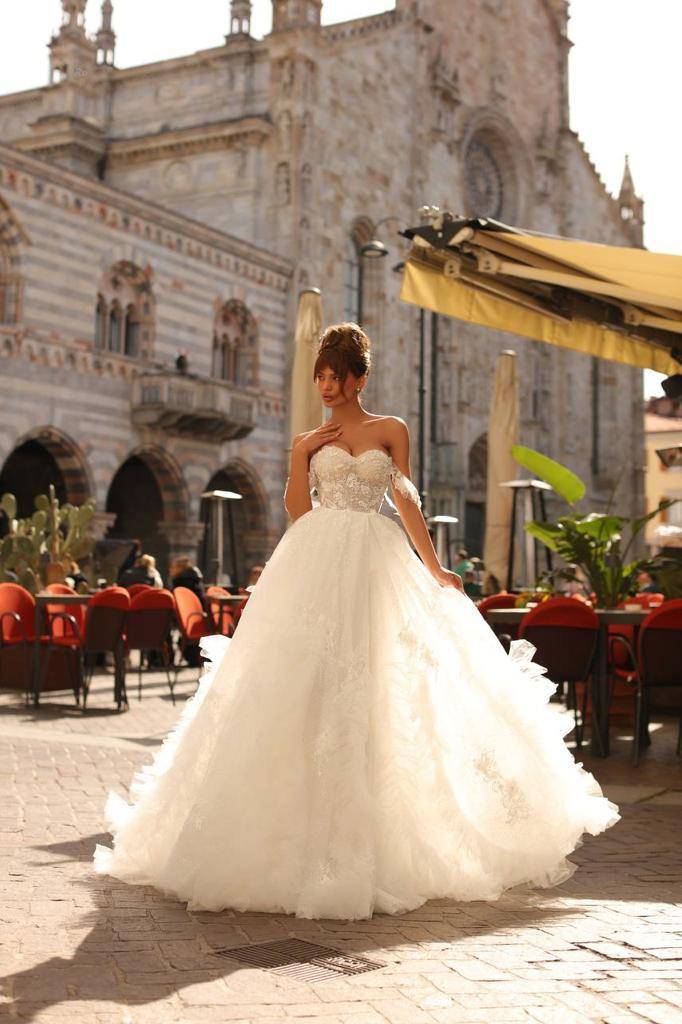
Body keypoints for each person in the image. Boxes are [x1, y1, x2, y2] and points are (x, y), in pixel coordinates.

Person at [94, 322, 619, 921]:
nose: (325, 385)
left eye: (334, 376)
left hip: (375, 560)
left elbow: (406, 500)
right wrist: (299, 454)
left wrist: (436, 567)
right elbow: (297, 511)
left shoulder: (391, 429)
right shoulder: (310, 439)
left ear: (359, 377)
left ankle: (375, 839)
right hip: (312, 559)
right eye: (320, 375)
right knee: (295, 685)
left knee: (377, 685)